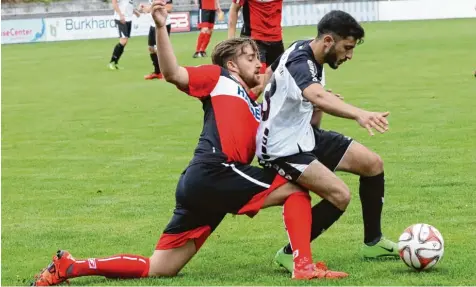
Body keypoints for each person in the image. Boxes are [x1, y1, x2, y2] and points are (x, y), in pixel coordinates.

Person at [31, 2, 349, 286]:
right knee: (295, 189)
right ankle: (303, 267)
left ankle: (71, 266)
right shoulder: (217, 78)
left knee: (161, 267)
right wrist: (159, 27)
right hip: (215, 170)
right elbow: (172, 73)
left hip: (202, 183)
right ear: (232, 65)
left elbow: (285, 91)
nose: (259, 64)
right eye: (251, 58)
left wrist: (316, 102)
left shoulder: (255, 104)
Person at [255, 10, 399, 273]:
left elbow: (272, 74)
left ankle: (373, 242)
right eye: (347, 48)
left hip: (304, 134)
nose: (349, 56)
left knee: (372, 164)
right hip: (282, 148)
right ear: (329, 41)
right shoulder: (302, 59)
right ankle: (291, 254)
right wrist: (359, 113)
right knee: (340, 195)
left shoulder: (302, 46)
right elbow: (316, 96)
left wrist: (261, 93)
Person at [227, 0, 284, 95]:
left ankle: (268, 108)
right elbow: (234, 9)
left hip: (276, 40)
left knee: (280, 81)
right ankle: (241, 106)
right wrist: (231, 40)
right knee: (258, 84)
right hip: (253, 40)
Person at [141, 0, 173, 80]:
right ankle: (157, 72)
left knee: (160, 49)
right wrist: (144, 8)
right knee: (151, 48)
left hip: (163, 24)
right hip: (153, 24)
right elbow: (150, 9)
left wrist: (152, 7)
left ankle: (166, 72)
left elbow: (169, 8)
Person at [108, 0, 141, 70]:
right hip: (121, 19)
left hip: (128, 19)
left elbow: (129, 5)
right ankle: (112, 62)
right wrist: (120, 15)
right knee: (123, 41)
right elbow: (114, 3)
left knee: (124, 42)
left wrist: (135, 12)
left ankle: (115, 62)